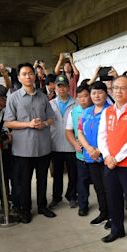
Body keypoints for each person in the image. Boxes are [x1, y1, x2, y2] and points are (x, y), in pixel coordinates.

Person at [4, 63, 56, 223]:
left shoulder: (42, 96)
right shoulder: (13, 97)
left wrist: (44, 124)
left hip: (43, 147)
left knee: (42, 178)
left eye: (30, 73)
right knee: (23, 181)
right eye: (24, 74)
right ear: (19, 78)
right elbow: (8, 123)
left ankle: (42, 206)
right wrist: (28, 124)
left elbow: (51, 118)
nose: (28, 76)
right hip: (23, 149)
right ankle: (25, 210)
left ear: (35, 76)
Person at [97, 76, 127, 250]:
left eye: (122, 88)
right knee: (113, 198)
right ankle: (117, 229)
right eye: (115, 88)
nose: (118, 91)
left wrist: (116, 158)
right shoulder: (107, 111)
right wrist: (107, 156)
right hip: (109, 163)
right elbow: (102, 136)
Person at [77, 81, 111, 225]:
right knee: (98, 187)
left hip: (105, 157)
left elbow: (113, 135)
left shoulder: (111, 111)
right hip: (90, 157)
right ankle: (103, 213)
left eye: (100, 92)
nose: (96, 96)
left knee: (109, 188)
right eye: (93, 93)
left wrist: (99, 150)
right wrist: (89, 149)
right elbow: (79, 132)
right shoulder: (86, 112)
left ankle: (113, 216)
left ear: (106, 94)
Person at [48, 74, 77, 210]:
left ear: (68, 87)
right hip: (55, 145)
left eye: (64, 86)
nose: (61, 89)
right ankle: (56, 197)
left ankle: (71, 196)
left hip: (71, 145)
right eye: (59, 86)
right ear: (55, 88)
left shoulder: (76, 103)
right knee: (57, 174)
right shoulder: (50, 104)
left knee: (73, 174)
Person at [65, 83, 92, 216]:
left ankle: (105, 210)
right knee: (82, 182)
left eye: (85, 96)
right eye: (79, 97)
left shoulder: (99, 109)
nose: (82, 99)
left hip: (96, 155)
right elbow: (68, 131)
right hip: (81, 155)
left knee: (100, 185)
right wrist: (75, 144)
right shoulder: (74, 112)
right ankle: (83, 205)